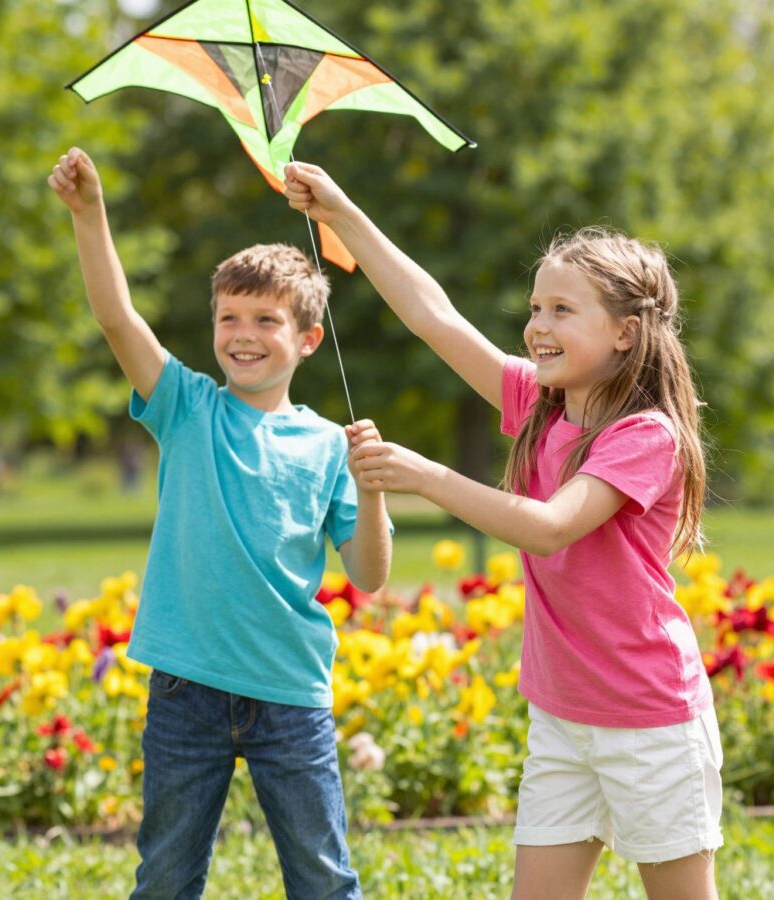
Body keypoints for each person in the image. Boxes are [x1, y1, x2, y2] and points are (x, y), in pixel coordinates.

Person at [285, 164, 721, 900]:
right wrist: (343, 212)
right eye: (536, 307)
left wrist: (427, 477)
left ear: (626, 332)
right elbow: (434, 317)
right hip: (562, 715)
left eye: (562, 310)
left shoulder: (645, 435)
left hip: (648, 719)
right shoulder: (541, 403)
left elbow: (550, 529)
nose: (537, 326)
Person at [49, 147, 392, 899]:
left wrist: (371, 490)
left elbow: (369, 574)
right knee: (166, 878)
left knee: (324, 879)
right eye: (229, 316)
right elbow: (116, 318)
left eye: (266, 319)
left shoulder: (329, 445)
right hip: (187, 690)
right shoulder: (186, 406)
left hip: (290, 692)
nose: (243, 333)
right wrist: (90, 213)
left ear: (308, 339)